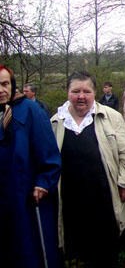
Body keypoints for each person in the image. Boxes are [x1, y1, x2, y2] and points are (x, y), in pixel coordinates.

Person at [51, 71, 125, 267]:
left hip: (104, 195)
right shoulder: (55, 121)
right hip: (71, 198)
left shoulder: (111, 116)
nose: (81, 96)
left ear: (94, 93)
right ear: (68, 93)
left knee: (105, 251)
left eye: (86, 91)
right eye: (75, 91)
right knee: (77, 250)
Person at [0, 65, 61, 268]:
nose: (1, 90)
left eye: (5, 84)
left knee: (29, 252)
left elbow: (49, 151)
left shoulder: (30, 110)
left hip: (25, 198)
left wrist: (44, 182)